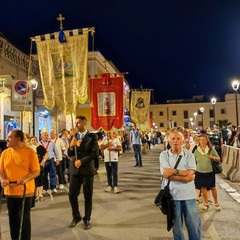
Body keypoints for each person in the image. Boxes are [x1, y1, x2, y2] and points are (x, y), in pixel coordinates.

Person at [159, 130, 201, 240]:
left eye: (178, 139)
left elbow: (191, 173)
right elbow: (166, 174)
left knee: (194, 226)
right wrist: (185, 177)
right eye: (173, 139)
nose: (175, 141)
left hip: (189, 196)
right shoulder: (164, 155)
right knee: (176, 228)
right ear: (169, 140)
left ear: (182, 140)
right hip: (172, 196)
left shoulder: (189, 155)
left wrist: (174, 172)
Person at [0, 130, 40, 240]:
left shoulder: (30, 152)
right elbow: (1, 171)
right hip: (10, 192)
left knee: (24, 221)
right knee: (13, 221)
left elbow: (36, 171)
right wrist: (2, 179)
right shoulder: (5, 153)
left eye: (10, 137)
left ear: (18, 139)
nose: (7, 139)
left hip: (25, 192)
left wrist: (25, 179)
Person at [68, 116, 99, 230]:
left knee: (87, 196)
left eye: (78, 123)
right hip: (75, 171)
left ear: (84, 123)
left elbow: (95, 153)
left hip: (87, 170)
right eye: (75, 123)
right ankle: (76, 216)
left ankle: (87, 219)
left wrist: (82, 161)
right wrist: (71, 146)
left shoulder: (92, 137)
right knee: (72, 195)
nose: (75, 125)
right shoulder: (74, 136)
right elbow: (70, 153)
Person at [193, 134, 221, 211]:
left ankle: (216, 203)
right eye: (200, 140)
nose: (202, 141)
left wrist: (213, 157)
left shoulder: (211, 149)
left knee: (212, 187)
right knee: (203, 187)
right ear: (198, 141)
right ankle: (206, 203)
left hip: (209, 171)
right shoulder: (196, 150)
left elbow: (219, 159)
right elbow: (193, 160)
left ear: (207, 141)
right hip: (199, 171)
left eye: (204, 140)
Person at [30, 136, 48, 201]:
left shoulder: (40, 147)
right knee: (34, 181)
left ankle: (40, 194)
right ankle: (35, 194)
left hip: (39, 165)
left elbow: (46, 154)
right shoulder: (29, 148)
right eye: (32, 140)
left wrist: (43, 161)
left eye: (35, 140)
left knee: (40, 180)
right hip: (32, 167)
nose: (33, 141)